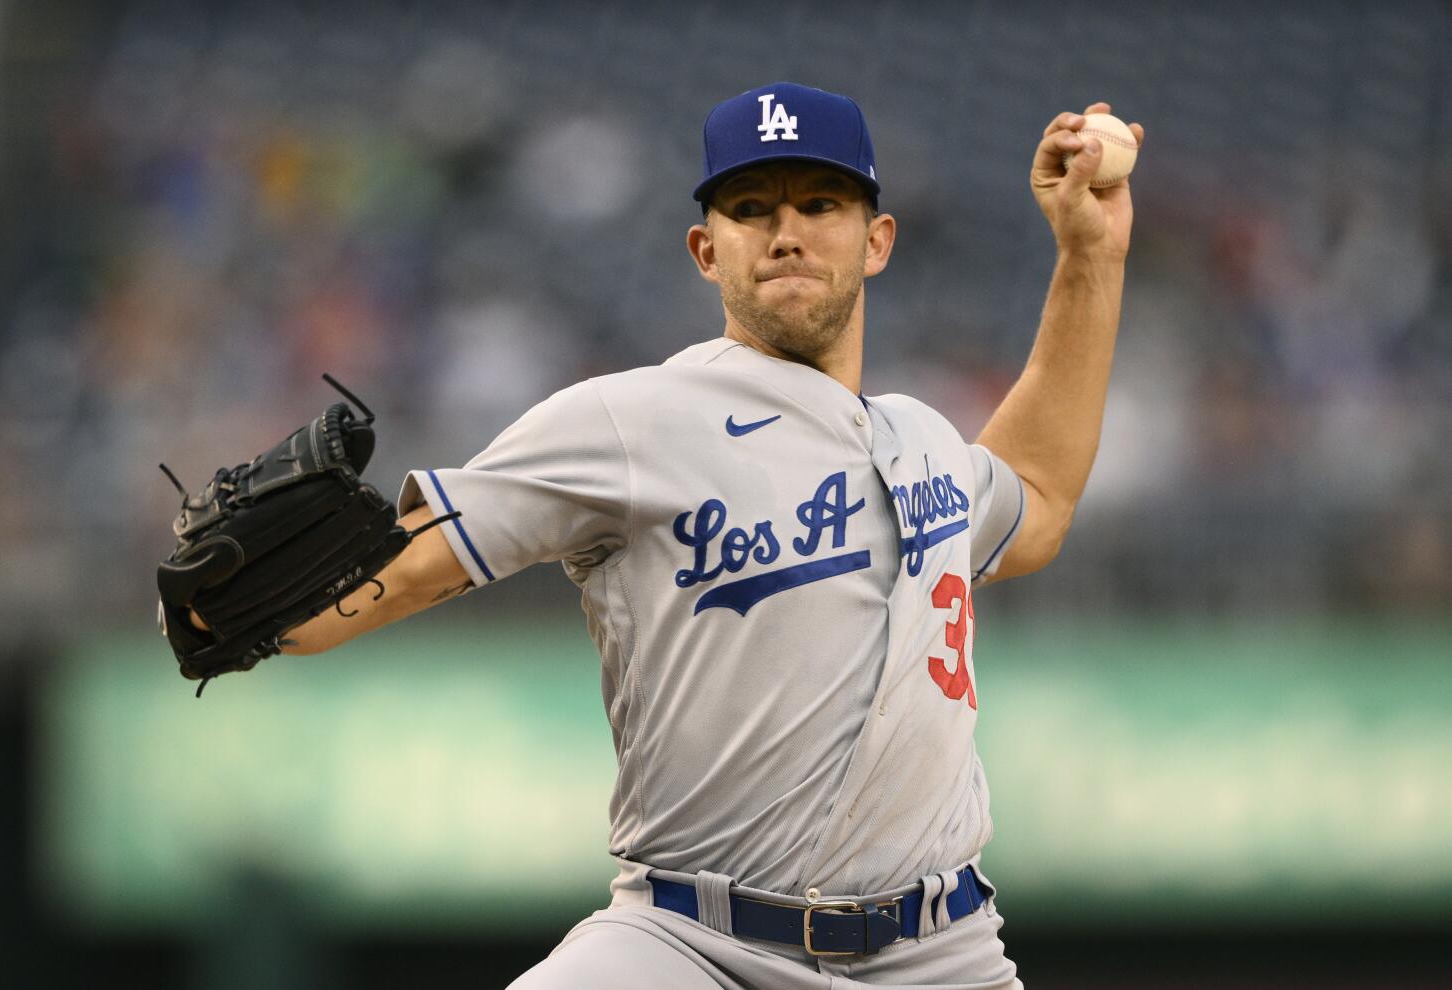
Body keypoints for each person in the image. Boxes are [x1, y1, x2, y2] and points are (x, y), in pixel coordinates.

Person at [266, 82, 1143, 988]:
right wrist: (244, 623)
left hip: (940, 954)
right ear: (705, 251)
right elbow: (401, 568)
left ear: (877, 240)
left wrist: (1092, 253)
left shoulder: (923, 437)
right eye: (752, 208)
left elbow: (1035, 499)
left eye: (822, 203)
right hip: (691, 946)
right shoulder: (630, 420)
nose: (787, 231)